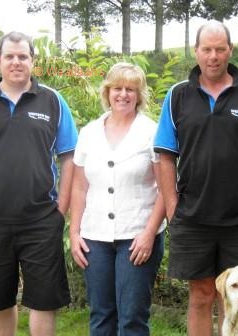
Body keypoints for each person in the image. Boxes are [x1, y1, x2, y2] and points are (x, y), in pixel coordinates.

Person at [154, 20, 238, 336]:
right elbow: (165, 157)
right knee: (201, 296)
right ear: (196, 51)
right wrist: (173, 210)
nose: (213, 56)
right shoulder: (177, 96)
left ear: (230, 50)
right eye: (206, 49)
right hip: (193, 218)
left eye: (220, 49)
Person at [0, 31, 78, 336]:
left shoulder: (53, 101)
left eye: (23, 56)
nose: (16, 61)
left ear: (33, 61)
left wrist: (60, 210)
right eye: (9, 56)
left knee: (44, 301)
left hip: (41, 221)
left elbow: (70, 157)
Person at [69, 62, 166, 336]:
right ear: (107, 92)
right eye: (117, 88)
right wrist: (75, 233)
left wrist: (149, 234)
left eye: (131, 90)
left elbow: (166, 188)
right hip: (94, 237)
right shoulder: (88, 132)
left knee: (132, 319)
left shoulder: (152, 132)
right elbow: (79, 187)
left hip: (137, 237)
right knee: (101, 316)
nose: (123, 95)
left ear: (139, 95)